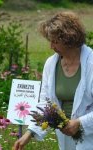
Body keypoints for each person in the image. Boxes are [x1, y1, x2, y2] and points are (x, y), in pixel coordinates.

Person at [13, 11, 93, 150]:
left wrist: (80, 123)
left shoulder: (91, 64)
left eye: (55, 41)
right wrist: (29, 133)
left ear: (69, 39)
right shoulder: (51, 64)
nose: (51, 46)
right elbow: (46, 103)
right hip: (65, 134)